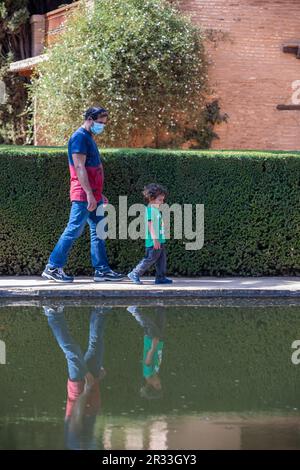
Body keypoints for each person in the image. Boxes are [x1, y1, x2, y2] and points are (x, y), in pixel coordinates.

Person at [42, 106, 124, 283]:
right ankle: (53, 267)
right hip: (83, 194)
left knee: (99, 231)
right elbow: (79, 167)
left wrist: (98, 194)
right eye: (100, 123)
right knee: (73, 229)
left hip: (93, 194)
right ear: (90, 119)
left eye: (103, 123)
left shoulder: (88, 137)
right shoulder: (79, 137)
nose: (101, 126)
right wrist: (88, 193)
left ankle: (102, 270)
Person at [42, 304, 108, 450]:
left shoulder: (76, 445)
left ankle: (52, 313)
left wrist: (87, 387)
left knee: (72, 351)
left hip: (80, 389)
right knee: (96, 344)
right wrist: (95, 381)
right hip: (91, 388)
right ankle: (101, 309)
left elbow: (75, 419)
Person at [127, 183, 173, 285]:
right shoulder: (149, 210)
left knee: (161, 260)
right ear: (152, 199)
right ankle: (134, 273)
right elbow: (150, 224)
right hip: (154, 241)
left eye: (163, 200)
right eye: (160, 200)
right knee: (150, 258)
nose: (162, 202)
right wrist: (155, 239)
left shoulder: (155, 210)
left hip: (160, 240)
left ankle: (160, 278)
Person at [127, 305, 165, 399]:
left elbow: (147, 361)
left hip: (152, 341)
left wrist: (153, 346)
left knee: (148, 325)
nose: (159, 381)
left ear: (150, 384)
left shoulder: (148, 373)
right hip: (159, 342)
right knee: (160, 323)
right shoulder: (155, 372)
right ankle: (160, 306)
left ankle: (133, 310)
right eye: (160, 384)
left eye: (157, 384)